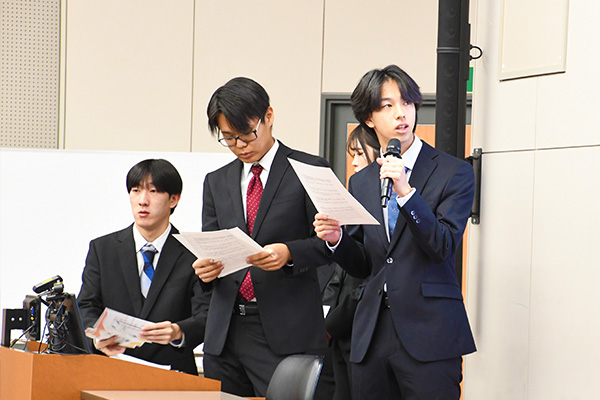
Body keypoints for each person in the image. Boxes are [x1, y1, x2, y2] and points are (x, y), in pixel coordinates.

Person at [313, 65, 476, 399]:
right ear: (369, 118)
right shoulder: (362, 181)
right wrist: (337, 240)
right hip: (372, 332)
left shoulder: (454, 172)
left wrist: (406, 193)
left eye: (407, 102)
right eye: (387, 105)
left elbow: (443, 245)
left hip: (429, 332)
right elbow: (364, 265)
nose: (401, 113)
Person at [192, 77, 331, 397]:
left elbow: (331, 245)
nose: (240, 145)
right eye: (229, 138)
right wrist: (205, 271)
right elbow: (212, 244)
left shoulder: (308, 168)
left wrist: (289, 253)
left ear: (268, 116)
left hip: (285, 331)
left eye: (246, 133)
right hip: (224, 333)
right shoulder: (216, 181)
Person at [78, 159, 210, 375]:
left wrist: (178, 331)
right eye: (136, 191)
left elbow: (207, 314)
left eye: (153, 191)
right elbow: (86, 305)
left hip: (173, 375)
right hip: (111, 370)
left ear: (174, 199)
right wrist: (96, 337)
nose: (142, 201)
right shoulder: (103, 249)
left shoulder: (194, 253)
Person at [322, 124, 379, 400]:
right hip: (341, 331)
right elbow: (341, 274)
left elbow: (369, 277)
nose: (354, 163)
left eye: (359, 153)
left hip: (361, 328)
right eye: (351, 154)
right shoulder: (356, 196)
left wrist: (331, 324)